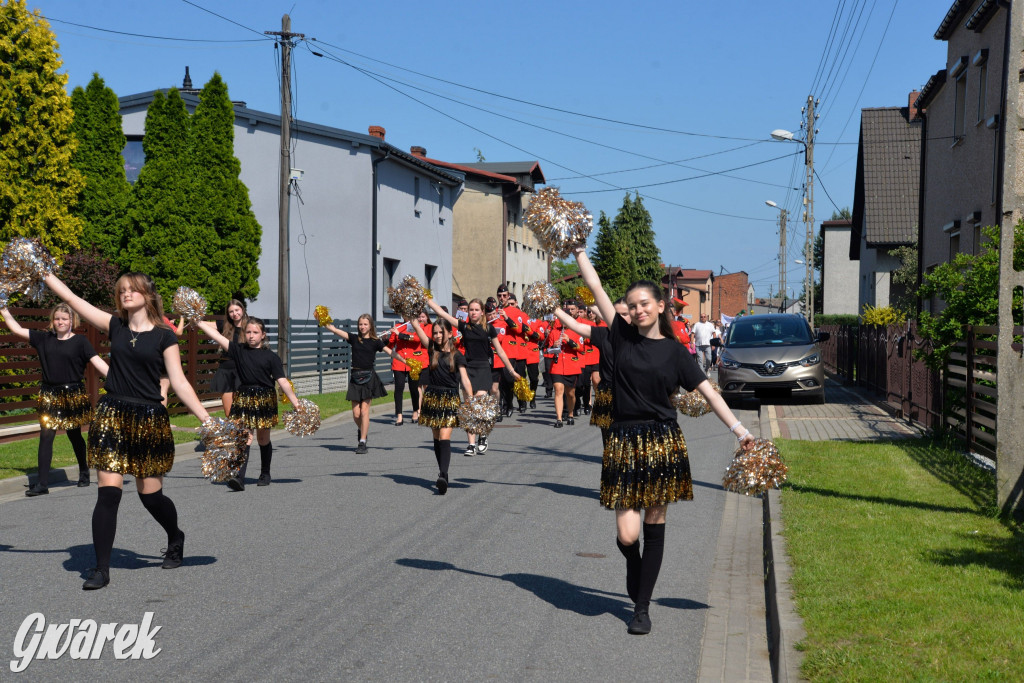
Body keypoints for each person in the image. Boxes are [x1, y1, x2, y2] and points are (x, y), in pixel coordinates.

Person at [571, 247, 755, 635]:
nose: (637, 310)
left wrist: (740, 431)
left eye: (644, 304)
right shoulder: (619, 337)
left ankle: (641, 607)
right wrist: (579, 250)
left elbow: (709, 393)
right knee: (627, 535)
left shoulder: (675, 352)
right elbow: (595, 285)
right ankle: (632, 565)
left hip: (661, 442)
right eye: (632, 305)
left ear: (659, 307)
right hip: (622, 441)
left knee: (654, 523)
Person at [43, 271, 216, 590]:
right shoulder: (115, 326)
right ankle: (101, 569)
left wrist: (206, 420)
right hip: (112, 415)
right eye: (121, 290)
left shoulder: (165, 336)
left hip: (149, 419)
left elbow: (178, 381)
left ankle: (175, 536)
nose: (125, 294)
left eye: (132, 289)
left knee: (150, 497)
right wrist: (44, 272)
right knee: (108, 493)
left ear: (147, 295)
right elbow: (72, 299)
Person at [2, 304, 109, 496]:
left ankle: (84, 470)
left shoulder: (81, 342)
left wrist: (120, 379)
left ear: (72, 321)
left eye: (64, 319)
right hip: (49, 394)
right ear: (53, 320)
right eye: (57, 318)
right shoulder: (43, 339)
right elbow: (16, 329)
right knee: (46, 434)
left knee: (74, 434)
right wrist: (3, 309)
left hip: (73, 394)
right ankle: (42, 483)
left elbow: (96, 361)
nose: (60, 322)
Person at [196, 316, 301, 489]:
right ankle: (239, 476)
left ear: (263, 335)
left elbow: (282, 381)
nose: (251, 336)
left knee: (263, 438)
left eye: (255, 332)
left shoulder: (271, 357)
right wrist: (198, 322)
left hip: (265, 399)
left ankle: (265, 473)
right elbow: (218, 337)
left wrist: (295, 403)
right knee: (244, 436)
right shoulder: (238, 350)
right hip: (244, 397)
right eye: (248, 332)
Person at [427, 296, 519, 456]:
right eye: (471, 310)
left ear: (482, 312)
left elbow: (501, 351)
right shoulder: (464, 326)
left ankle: (482, 435)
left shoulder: (489, 329)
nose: (474, 312)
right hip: (467, 368)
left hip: (483, 368)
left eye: (477, 310)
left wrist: (511, 370)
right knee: (469, 407)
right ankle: (471, 444)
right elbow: (442, 313)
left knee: (479, 405)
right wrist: (426, 299)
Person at [407, 317, 473, 494]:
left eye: (440, 332)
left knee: (444, 436)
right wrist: (410, 315)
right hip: (432, 397)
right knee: (436, 437)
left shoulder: (457, 355)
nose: (436, 335)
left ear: (450, 334)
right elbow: (417, 327)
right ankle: (443, 472)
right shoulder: (431, 350)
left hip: (450, 398)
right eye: (434, 332)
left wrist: (472, 400)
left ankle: (443, 474)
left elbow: (465, 380)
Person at [324, 315, 397, 454]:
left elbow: (390, 352)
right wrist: (321, 319)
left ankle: (362, 442)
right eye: (360, 324)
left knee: (364, 411)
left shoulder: (376, 342)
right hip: (355, 378)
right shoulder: (353, 339)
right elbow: (334, 329)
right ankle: (363, 430)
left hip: (369, 378)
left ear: (370, 326)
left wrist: (405, 361)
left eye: (365, 324)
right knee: (356, 414)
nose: (362, 327)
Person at [546, 301, 584, 428]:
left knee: (571, 394)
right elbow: (547, 351)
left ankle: (571, 414)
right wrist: (553, 345)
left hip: (571, 367)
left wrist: (569, 341)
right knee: (558, 390)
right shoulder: (554, 332)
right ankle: (559, 419)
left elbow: (581, 348)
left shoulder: (576, 330)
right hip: (557, 366)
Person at [209, 299, 248, 417]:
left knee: (243, 408)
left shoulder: (250, 325)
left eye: (237, 310)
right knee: (229, 412)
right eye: (231, 311)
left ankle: (245, 434)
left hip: (243, 370)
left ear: (242, 310)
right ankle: (235, 434)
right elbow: (204, 324)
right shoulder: (225, 325)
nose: (234, 313)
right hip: (226, 369)